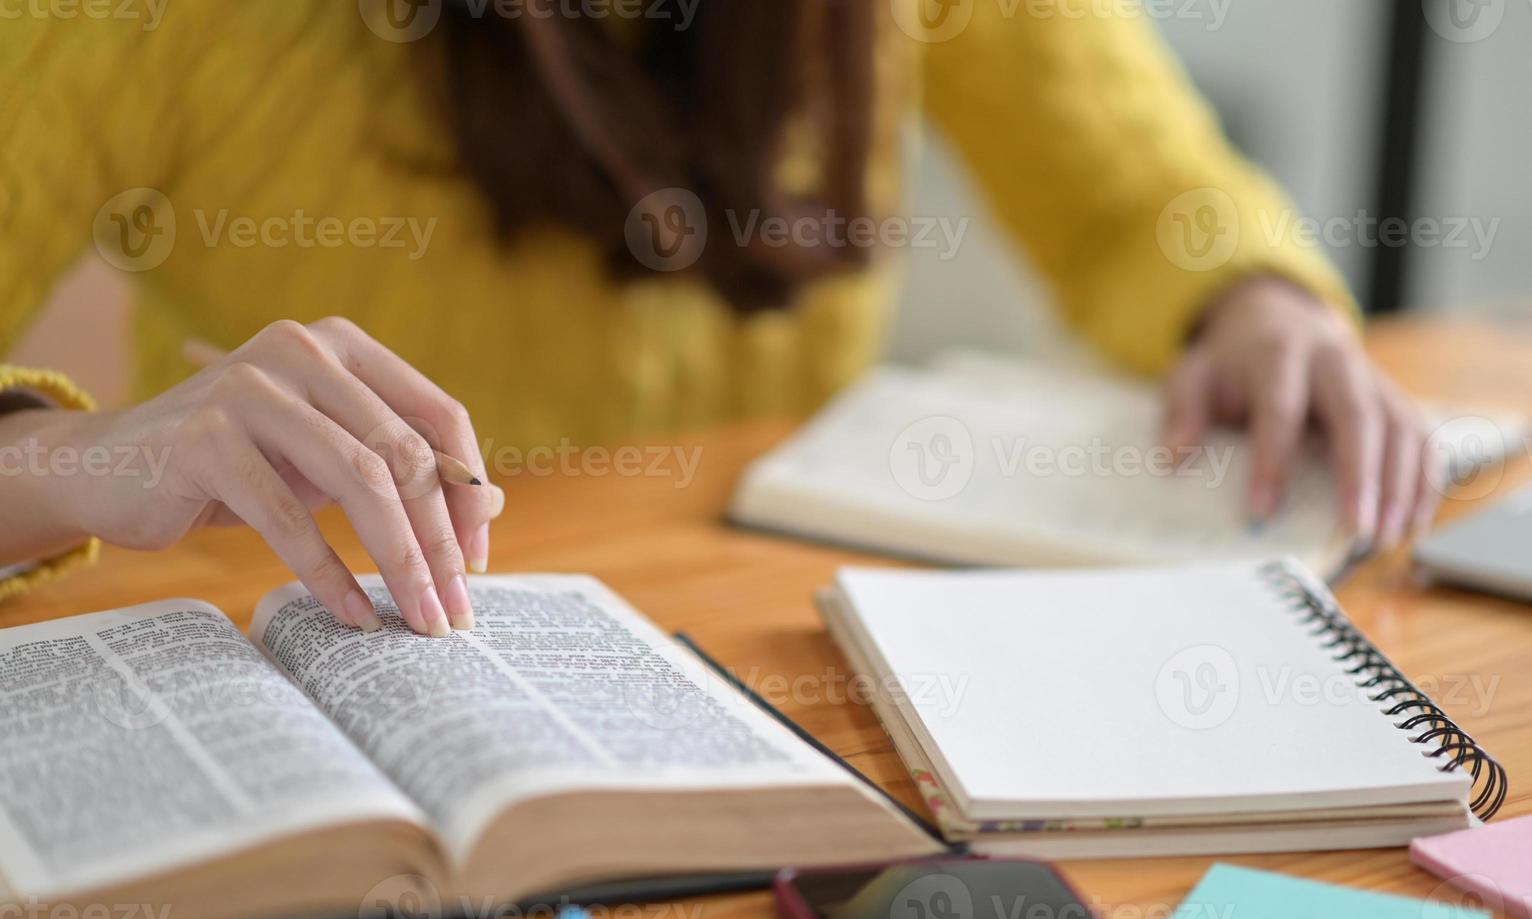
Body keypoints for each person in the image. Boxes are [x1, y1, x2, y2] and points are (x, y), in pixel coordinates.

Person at [0, 1, 1434, 634]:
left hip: (794, 679)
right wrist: (68, 461)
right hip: (327, 682)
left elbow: (1144, 198)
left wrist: (1253, 300)